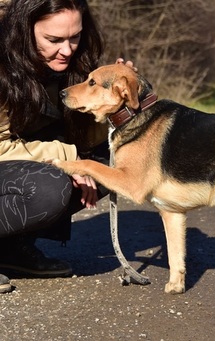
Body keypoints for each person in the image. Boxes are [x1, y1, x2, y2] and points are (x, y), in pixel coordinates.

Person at [0, 0, 132, 293]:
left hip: (18, 159)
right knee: (49, 187)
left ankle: (10, 250)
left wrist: (115, 101)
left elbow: (89, 139)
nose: (67, 49)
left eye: (75, 37)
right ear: (23, 30)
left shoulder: (72, 61)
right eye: (54, 39)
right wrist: (70, 158)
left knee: (111, 161)